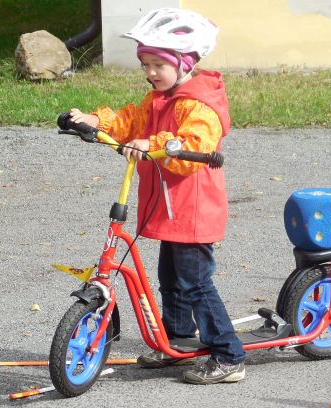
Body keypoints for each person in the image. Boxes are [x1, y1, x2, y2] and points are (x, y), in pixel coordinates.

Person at [68, 8, 246, 384]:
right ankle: (179, 340)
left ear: (184, 63)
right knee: (171, 279)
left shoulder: (198, 104)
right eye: (145, 64)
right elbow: (131, 120)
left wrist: (155, 143)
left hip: (193, 210)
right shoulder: (159, 98)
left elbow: (194, 144)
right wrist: (95, 121)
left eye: (157, 64)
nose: (149, 72)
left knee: (196, 282)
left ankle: (229, 355)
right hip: (170, 208)